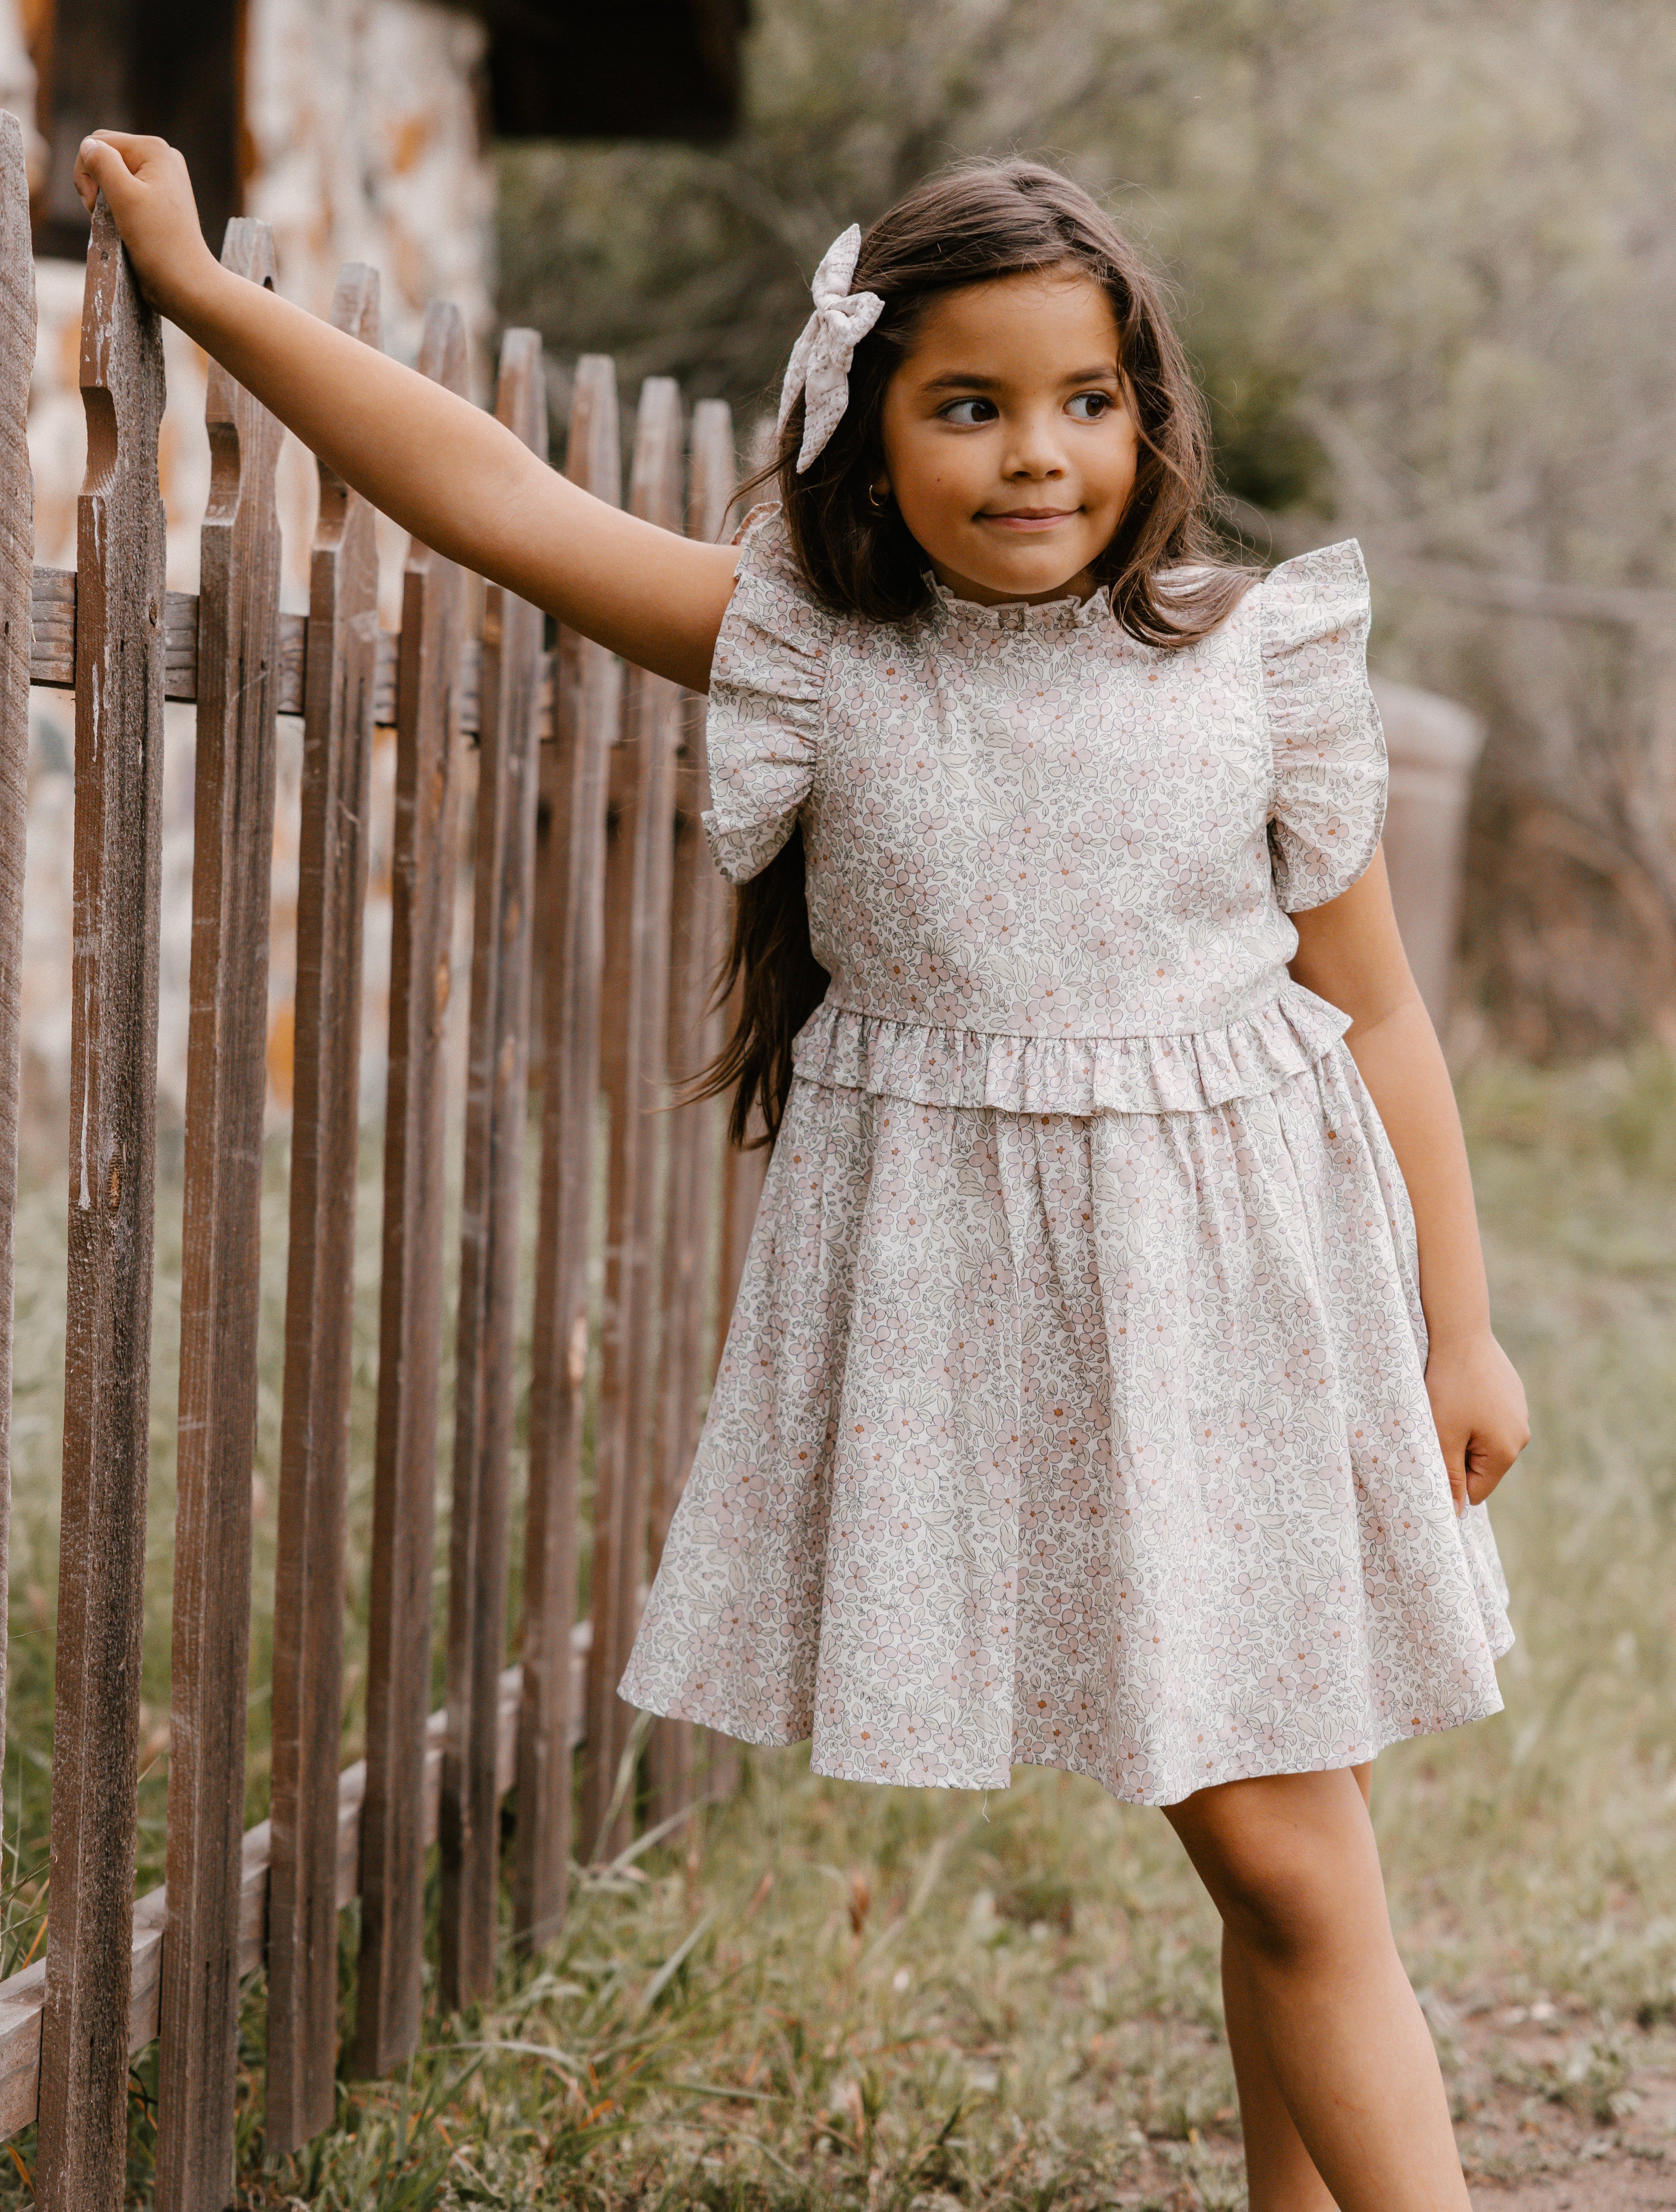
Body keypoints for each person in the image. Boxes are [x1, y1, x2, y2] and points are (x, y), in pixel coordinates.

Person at [75, 134, 1527, 2211]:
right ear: (866, 422)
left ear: (1148, 412)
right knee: (1295, 1867)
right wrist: (206, 296)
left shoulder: (1246, 666)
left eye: (1084, 402)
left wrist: (1453, 1329)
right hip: (1006, 1314)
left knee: (1299, 1862)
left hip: (1257, 1304)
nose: (1038, 457)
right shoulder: (822, 657)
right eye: (970, 404)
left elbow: (1378, 1011)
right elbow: (497, 491)